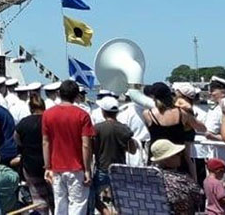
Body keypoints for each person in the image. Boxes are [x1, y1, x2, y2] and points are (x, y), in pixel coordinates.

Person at [42, 80, 95, 215]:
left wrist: (47, 166)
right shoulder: (82, 115)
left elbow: (45, 142)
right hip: (76, 167)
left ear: (59, 93)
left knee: (60, 205)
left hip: (57, 166)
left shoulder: (48, 114)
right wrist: (87, 169)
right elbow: (86, 144)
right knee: (77, 205)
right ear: (77, 95)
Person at [143, 81, 203, 179]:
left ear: (154, 97)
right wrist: (189, 111)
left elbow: (150, 130)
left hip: (158, 158)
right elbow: (201, 128)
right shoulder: (181, 113)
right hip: (178, 158)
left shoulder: (147, 114)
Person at [91, 96, 137, 214]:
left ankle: (106, 213)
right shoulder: (124, 129)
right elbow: (132, 150)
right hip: (120, 169)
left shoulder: (97, 128)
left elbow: (92, 149)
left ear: (103, 111)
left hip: (102, 167)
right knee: (120, 198)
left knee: (92, 196)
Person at [16, 93, 52, 212]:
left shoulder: (24, 123)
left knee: (39, 198)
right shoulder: (50, 121)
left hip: (30, 165)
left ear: (31, 108)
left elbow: (16, 139)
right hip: (50, 164)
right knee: (55, 197)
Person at [150, 138, 204, 215]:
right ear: (167, 159)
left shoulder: (151, 178)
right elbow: (199, 197)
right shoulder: (181, 179)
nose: (180, 156)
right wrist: (190, 163)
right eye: (178, 154)